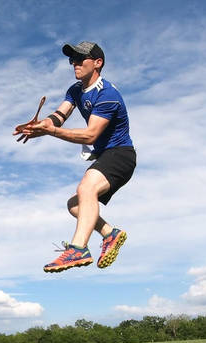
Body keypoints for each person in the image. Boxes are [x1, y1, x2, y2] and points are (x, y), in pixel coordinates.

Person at [15, 41, 136, 273]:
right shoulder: (75, 90)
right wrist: (42, 125)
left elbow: (90, 135)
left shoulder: (107, 94)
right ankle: (111, 234)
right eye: (72, 60)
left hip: (121, 155)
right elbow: (60, 115)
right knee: (74, 205)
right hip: (106, 155)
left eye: (80, 59)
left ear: (98, 63)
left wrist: (51, 132)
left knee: (86, 188)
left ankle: (78, 249)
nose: (74, 64)